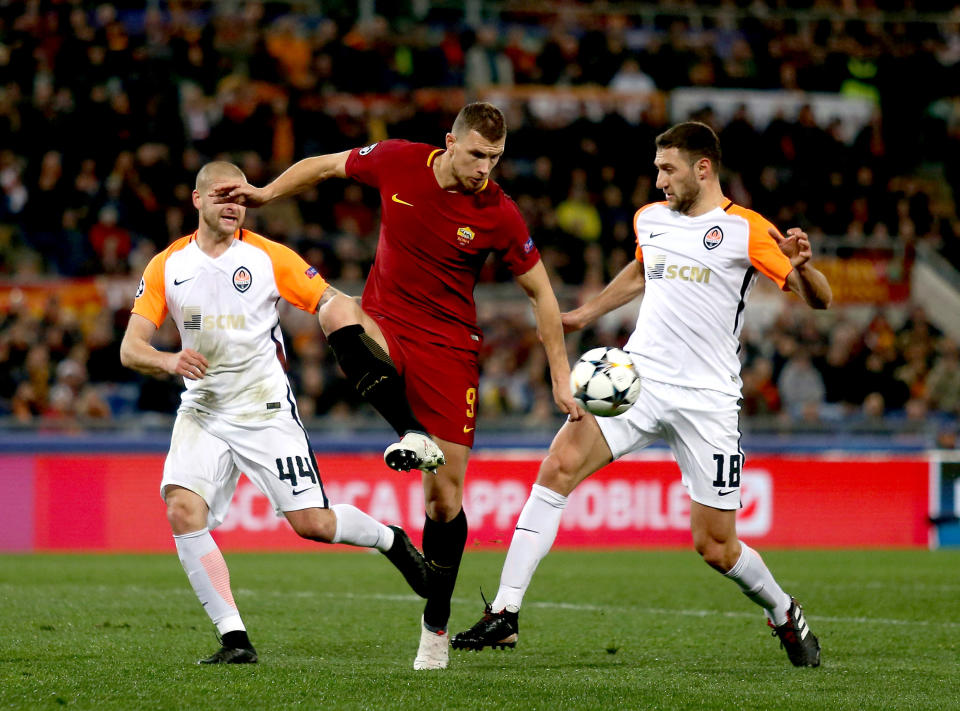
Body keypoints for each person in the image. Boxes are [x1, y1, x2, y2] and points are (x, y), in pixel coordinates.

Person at [208, 102, 582, 670]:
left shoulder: (499, 214)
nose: (486, 167)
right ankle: (410, 430)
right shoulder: (398, 161)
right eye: (478, 154)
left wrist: (559, 373)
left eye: (496, 158)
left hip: (449, 352)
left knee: (444, 497)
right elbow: (327, 165)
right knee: (336, 312)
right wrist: (263, 193)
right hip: (385, 323)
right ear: (450, 142)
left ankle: (435, 628)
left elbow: (542, 293)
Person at [451, 121, 832, 668]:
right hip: (640, 379)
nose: (659, 181)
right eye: (657, 169)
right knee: (557, 467)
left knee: (716, 546)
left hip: (708, 400)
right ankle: (505, 614)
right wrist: (584, 314)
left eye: (668, 169)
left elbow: (816, 299)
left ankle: (782, 610)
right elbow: (641, 270)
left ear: (704, 169)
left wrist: (806, 268)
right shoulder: (650, 220)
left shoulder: (746, 230)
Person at [119, 161, 432, 665]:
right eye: (222, 196)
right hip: (202, 409)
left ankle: (388, 539)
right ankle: (234, 639)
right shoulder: (166, 266)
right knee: (182, 510)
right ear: (196, 200)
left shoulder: (268, 257)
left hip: (264, 409)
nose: (232, 205)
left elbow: (329, 300)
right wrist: (167, 359)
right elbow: (131, 347)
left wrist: (355, 323)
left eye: (240, 197)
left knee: (311, 524)